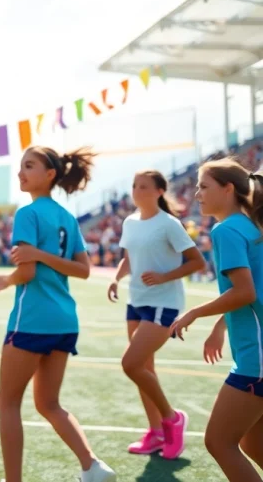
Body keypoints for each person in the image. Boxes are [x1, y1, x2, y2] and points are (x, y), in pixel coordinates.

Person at [0, 145, 115, 482]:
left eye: (29, 166)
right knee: (48, 404)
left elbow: (28, 272)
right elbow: (83, 269)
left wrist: (8, 278)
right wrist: (40, 258)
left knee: (7, 402)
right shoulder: (66, 216)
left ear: (50, 174)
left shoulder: (28, 214)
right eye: (20, 166)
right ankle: (92, 466)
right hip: (64, 321)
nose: (21, 172)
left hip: (32, 318)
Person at [170, 158, 263, 481]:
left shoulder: (226, 230)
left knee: (219, 442)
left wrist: (195, 312)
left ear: (228, 189)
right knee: (253, 444)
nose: (197, 195)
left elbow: (246, 292)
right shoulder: (251, 226)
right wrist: (220, 325)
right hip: (257, 353)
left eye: (204, 186)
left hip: (256, 360)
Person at [107, 170, 204, 459]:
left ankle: (172, 418)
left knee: (131, 364)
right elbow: (129, 258)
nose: (136, 190)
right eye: (134, 185)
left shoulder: (169, 224)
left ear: (159, 191)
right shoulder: (130, 222)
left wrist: (165, 277)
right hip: (136, 301)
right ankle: (156, 432)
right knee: (144, 369)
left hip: (164, 303)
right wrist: (116, 278)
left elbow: (196, 261)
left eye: (143, 186)